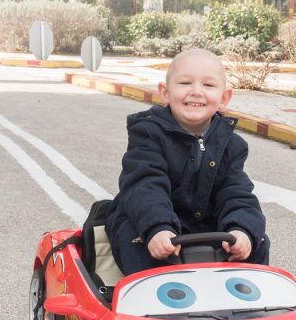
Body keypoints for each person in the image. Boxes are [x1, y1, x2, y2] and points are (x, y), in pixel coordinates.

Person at [106, 48, 269, 275]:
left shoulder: (232, 144)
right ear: (165, 93)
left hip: (203, 223)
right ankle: (149, 294)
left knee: (256, 241)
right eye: (185, 83)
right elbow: (145, 184)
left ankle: (245, 293)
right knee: (140, 244)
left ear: (224, 98)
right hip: (151, 219)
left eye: (208, 85)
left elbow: (236, 192)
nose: (196, 92)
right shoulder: (147, 133)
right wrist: (158, 227)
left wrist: (241, 229)